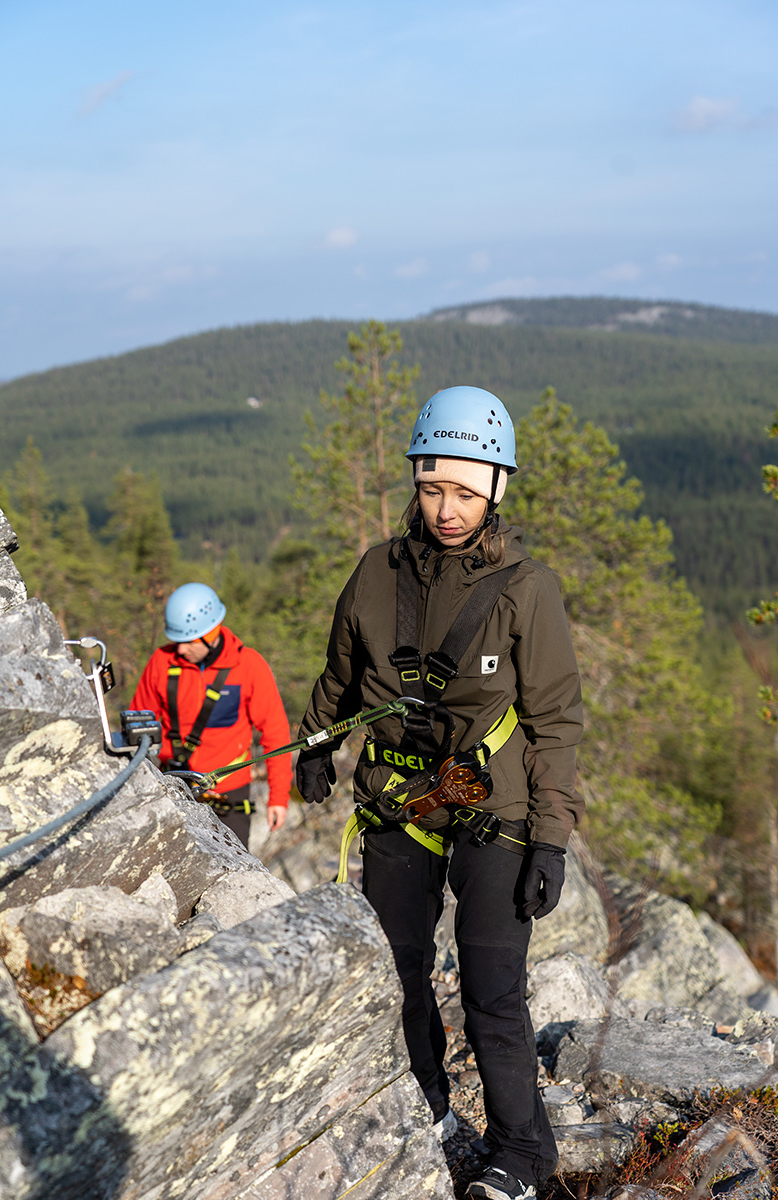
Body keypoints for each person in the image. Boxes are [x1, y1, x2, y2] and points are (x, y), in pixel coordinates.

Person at [294, 386, 583, 1200]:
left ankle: (522, 1152)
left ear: (497, 489)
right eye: (431, 488)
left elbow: (556, 721)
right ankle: (428, 1104)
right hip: (403, 799)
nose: (446, 508)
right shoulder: (375, 574)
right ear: (415, 481)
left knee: (494, 990)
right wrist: (319, 745)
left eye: (464, 490)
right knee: (400, 972)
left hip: (496, 805)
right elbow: (342, 674)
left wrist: (553, 838)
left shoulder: (527, 590)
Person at [132, 582, 291, 848]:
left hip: (229, 797)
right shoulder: (162, 662)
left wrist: (278, 797)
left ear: (211, 632)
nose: (180, 649)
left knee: (234, 876)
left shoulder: (249, 667)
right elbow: (138, 725)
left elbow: (275, 734)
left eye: (188, 641)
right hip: (173, 787)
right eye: (177, 641)